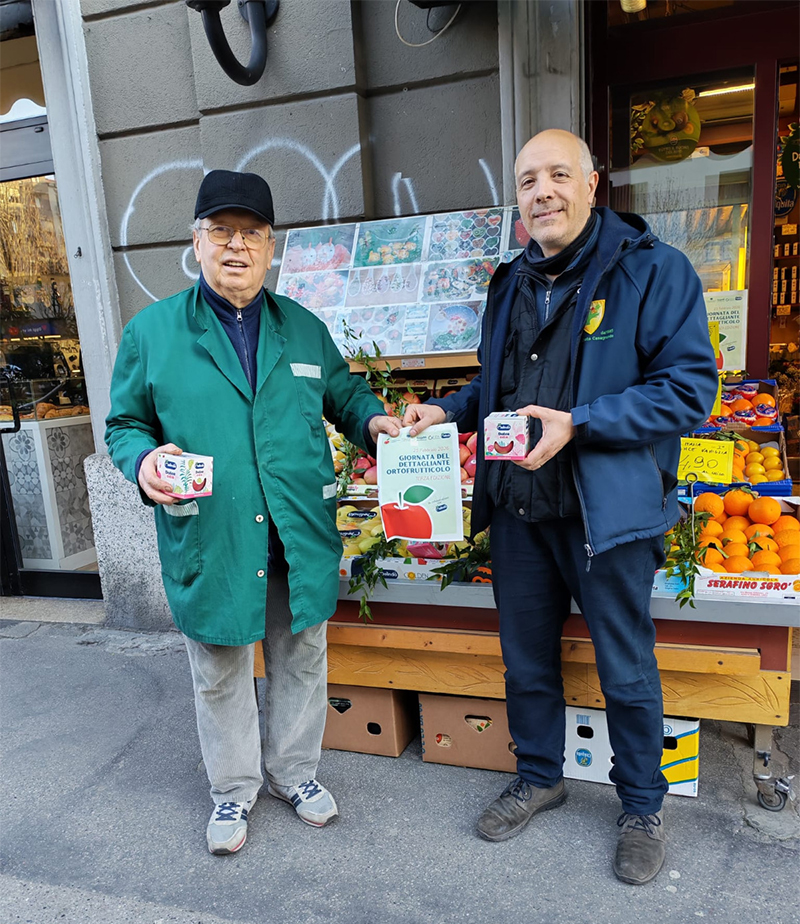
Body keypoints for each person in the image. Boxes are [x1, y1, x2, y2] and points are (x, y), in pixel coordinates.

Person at [403, 130, 718, 885]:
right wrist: (447, 412)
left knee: (627, 668)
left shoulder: (654, 272)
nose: (540, 191)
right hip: (518, 506)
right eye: (526, 181)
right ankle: (540, 774)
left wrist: (582, 421)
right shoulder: (511, 280)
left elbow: (689, 389)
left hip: (605, 515)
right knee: (527, 662)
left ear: (591, 183)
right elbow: (497, 389)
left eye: (555, 175)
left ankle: (643, 803)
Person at [106, 169, 400, 855]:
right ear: (197, 242)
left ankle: (294, 775)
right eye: (221, 231)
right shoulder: (152, 332)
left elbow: (345, 396)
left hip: (295, 532)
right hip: (213, 533)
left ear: (272, 247)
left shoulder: (302, 328)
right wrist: (144, 465)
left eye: (252, 233)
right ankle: (233, 792)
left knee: (301, 657)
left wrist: (375, 424)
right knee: (221, 666)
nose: (236, 246)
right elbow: (125, 425)